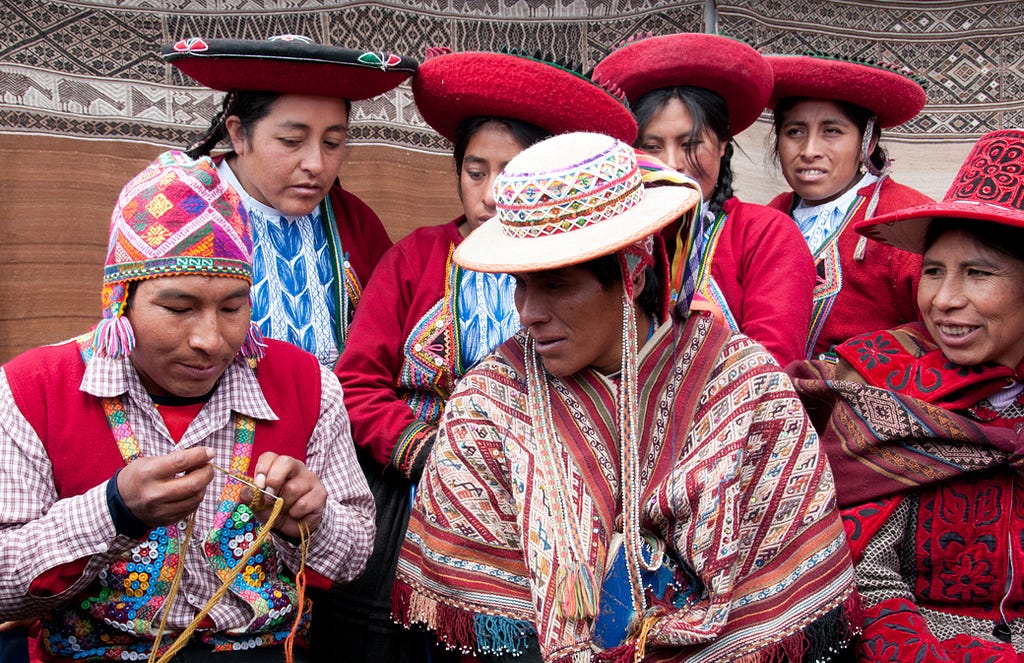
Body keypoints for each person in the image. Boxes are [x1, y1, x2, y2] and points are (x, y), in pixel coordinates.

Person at [393, 132, 859, 662]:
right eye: (521, 285)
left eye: (557, 285)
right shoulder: (491, 402)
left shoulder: (743, 390)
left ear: (631, 275)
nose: (528, 312)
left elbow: (780, 597)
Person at [319, 49, 639, 662]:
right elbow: (356, 383)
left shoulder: (599, 271)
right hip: (416, 499)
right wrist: (429, 451)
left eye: (513, 172)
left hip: (565, 503)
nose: (493, 194)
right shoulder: (415, 258)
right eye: (475, 171)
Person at [0, 151, 374, 661]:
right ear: (120, 300)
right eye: (177, 309)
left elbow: (354, 558)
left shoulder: (308, 385)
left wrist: (309, 520)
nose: (209, 340)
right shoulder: (32, 389)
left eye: (232, 308)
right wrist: (113, 510)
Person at [788, 128, 1024, 661]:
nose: (943, 300)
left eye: (978, 274)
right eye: (934, 272)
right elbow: (864, 575)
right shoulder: (877, 380)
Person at [162, 35, 417, 367]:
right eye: (292, 140)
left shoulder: (354, 221)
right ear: (238, 134)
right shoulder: (180, 211)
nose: (316, 164)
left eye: (332, 142)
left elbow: (387, 344)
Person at [593, 33, 815, 366]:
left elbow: (773, 366)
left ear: (724, 142)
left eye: (690, 144)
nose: (672, 164)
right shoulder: (611, 235)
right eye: (652, 147)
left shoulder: (764, 234)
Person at [765, 53, 932, 359]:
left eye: (832, 131)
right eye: (795, 131)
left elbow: (938, 333)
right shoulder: (771, 216)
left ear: (867, 141)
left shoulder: (906, 219)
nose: (810, 150)